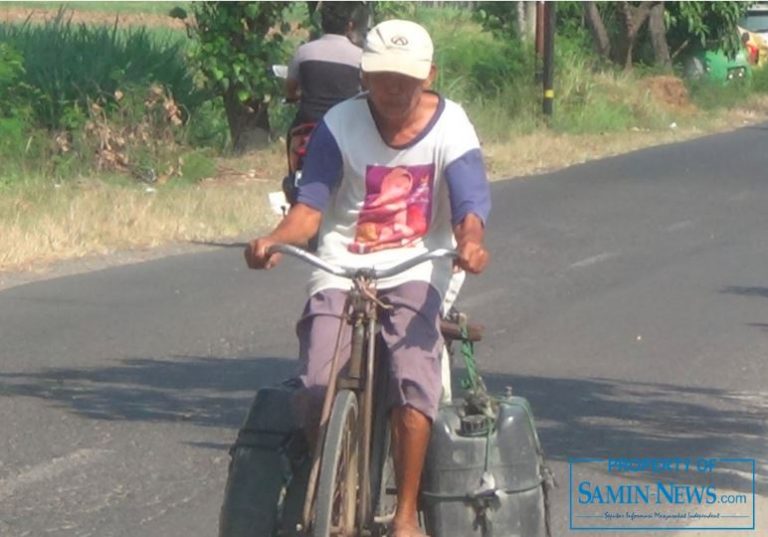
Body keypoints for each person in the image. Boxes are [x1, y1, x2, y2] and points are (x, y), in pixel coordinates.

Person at [246, 19, 491, 537]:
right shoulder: (338, 124)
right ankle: (331, 469)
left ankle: (404, 516)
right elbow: (309, 209)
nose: (394, 90)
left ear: (429, 75)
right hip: (341, 263)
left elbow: (469, 203)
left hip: (417, 262)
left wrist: (470, 242)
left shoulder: (453, 126)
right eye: (382, 78)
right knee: (316, 383)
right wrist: (275, 239)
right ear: (365, 76)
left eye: (406, 78)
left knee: (412, 377)